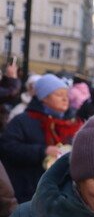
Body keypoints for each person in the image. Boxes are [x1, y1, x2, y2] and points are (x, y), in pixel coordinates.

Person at [0, 73, 82, 202]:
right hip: (30, 191)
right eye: (59, 95)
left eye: (66, 95)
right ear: (44, 97)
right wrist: (42, 150)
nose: (65, 99)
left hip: (65, 193)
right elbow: (7, 149)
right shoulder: (23, 120)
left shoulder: (74, 123)